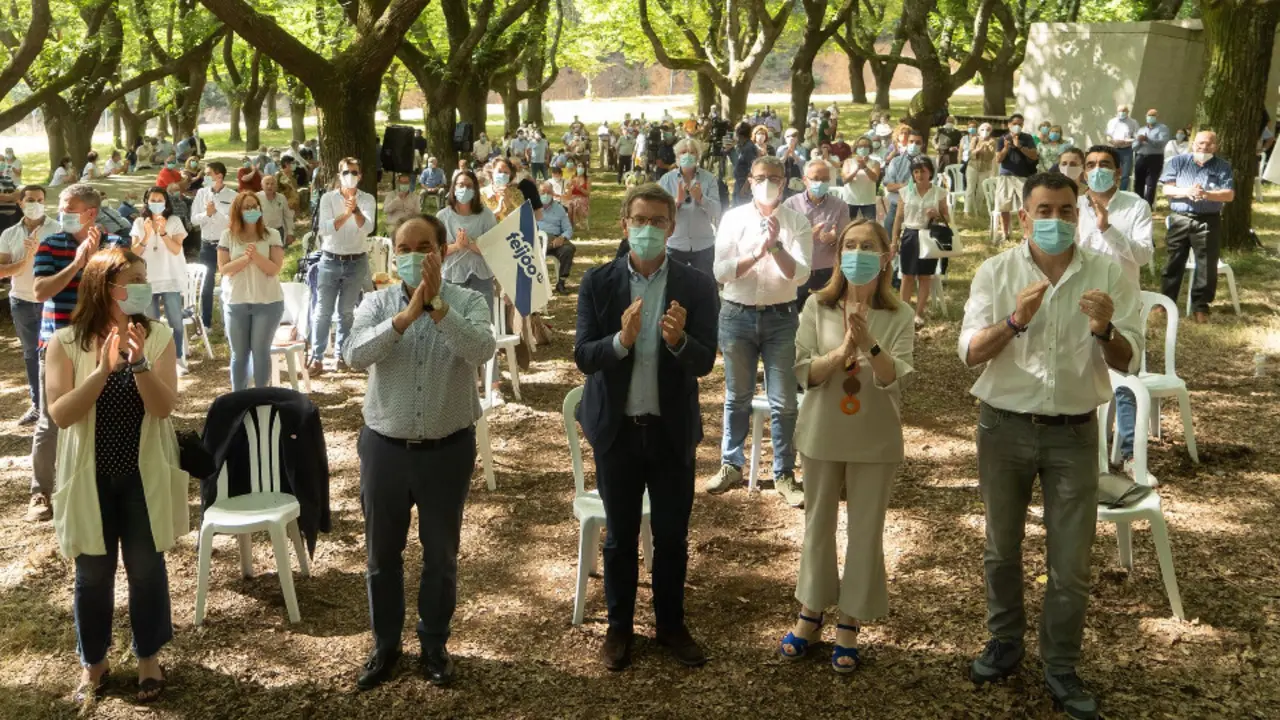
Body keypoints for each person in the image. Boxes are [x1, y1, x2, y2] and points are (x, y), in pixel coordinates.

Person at [959, 172, 1142, 720]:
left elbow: (1128, 361)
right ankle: (1004, 642)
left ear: (1079, 215)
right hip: (1004, 426)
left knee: (1070, 560)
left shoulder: (1106, 273)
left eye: (1067, 211)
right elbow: (969, 352)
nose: (1057, 221)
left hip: (1074, 432)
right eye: (1045, 210)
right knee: (1001, 547)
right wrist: (1016, 320)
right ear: (1024, 217)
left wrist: (1106, 329)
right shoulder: (996, 272)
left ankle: (1060, 664)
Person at [345, 216, 496, 691]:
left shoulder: (469, 299)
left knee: (441, 555)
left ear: (443, 250)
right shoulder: (376, 302)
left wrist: (437, 309)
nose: (413, 254)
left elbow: (482, 349)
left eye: (424, 246)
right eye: (404, 246)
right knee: (381, 555)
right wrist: (405, 318)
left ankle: (434, 642)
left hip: (446, 451)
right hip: (385, 449)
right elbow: (354, 355)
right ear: (393, 251)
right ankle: (385, 645)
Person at [574, 183, 718, 672]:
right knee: (618, 537)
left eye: (659, 221)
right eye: (640, 220)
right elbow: (583, 356)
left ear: (673, 227)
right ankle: (619, 629)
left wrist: (678, 342)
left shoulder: (697, 286)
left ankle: (671, 624)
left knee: (673, 536)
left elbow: (705, 362)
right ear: (624, 225)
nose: (649, 229)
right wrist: (621, 339)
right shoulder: (598, 283)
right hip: (616, 430)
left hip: (670, 430)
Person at [45, 247, 182, 706]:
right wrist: (102, 371)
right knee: (92, 575)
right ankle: (95, 661)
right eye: (133, 278)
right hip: (90, 478)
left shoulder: (158, 335)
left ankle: (148, 657)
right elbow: (61, 415)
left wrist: (139, 364)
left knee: (145, 570)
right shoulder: (65, 343)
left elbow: (163, 408)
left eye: (145, 276)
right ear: (104, 288)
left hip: (142, 478)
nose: (142, 285)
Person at [779, 217, 914, 674]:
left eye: (867, 246)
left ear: (885, 256)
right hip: (821, 432)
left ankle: (850, 622)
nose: (857, 253)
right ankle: (811, 611)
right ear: (838, 257)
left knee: (865, 531)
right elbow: (804, 372)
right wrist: (841, 353)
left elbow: (893, 377)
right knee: (818, 525)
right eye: (849, 246)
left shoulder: (900, 315)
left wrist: (870, 344)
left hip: (875, 439)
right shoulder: (817, 306)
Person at [707, 156, 813, 508]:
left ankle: (784, 472)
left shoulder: (796, 221)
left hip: (781, 318)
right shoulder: (733, 219)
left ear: (785, 183)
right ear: (749, 182)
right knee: (736, 395)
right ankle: (731, 463)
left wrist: (777, 246)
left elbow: (800, 275)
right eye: (760, 177)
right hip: (737, 314)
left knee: (783, 400)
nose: (768, 183)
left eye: (775, 178)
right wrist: (757, 253)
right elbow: (721, 272)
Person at [30, 184, 131, 524]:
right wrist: (76, 265)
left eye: (69, 208)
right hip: (57, 344)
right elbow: (41, 290)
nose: (62, 212)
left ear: (90, 213)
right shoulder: (50, 243)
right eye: (62, 207)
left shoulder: (116, 245)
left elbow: (125, 291)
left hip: (103, 344)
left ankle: (100, 485)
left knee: (104, 414)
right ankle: (40, 492)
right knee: (51, 420)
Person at [0, 185, 61, 425]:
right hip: (22, 302)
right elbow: (3, 271)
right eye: (30, 199)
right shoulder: (9, 234)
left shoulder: (58, 230)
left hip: (52, 301)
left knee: (57, 353)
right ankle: (38, 405)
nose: (35, 203)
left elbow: (65, 268)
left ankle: (57, 403)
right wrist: (27, 259)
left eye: (39, 199)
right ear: (20, 203)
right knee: (31, 354)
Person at [309, 157, 376, 375]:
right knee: (322, 311)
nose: (350, 176)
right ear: (339, 175)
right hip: (330, 260)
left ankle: (341, 355)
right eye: (346, 172)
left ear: (361, 175)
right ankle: (317, 358)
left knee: (346, 312)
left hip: (356, 261)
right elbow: (325, 228)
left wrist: (355, 211)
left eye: (354, 172)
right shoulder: (328, 198)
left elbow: (368, 228)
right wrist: (346, 213)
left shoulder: (367, 199)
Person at [1160, 131, 1235, 324]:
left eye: (1209, 144)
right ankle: (1165, 303)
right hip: (1180, 218)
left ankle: (1201, 307)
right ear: (1193, 144)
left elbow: (1228, 195)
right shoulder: (1177, 162)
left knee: (1207, 266)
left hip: (1208, 220)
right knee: (1173, 262)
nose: (1204, 148)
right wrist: (1187, 191)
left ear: (1215, 146)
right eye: (1200, 144)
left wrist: (1206, 194)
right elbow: (1166, 189)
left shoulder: (1223, 166)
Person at [218, 192, 286, 391]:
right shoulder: (228, 235)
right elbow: (223, 269)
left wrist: (256, 256)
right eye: (247, 207)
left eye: (255, 206)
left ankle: (261, 395)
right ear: (238, 211)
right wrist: (244, 259)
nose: (252, 210)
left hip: (267, 303)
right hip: (236, 302)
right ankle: (238, 396)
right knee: (239, 354)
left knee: (260, 351)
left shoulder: (272, 234)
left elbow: (274, 269)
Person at [130, 188, 190, 372]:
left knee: (176, 321)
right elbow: (133, 253)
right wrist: (147, 236)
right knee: (150, 323)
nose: (156, 202)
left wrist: (163, 233)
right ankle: (152, 359)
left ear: (166, 202)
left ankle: (178, 357)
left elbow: (176, 249)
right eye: (152, 199)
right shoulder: (140, 222)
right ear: (147, 201)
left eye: (160, 199)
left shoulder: (174, 221)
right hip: (147, 280)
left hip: (170, 277)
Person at [890, 157, 949, 327]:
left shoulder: (938, 192)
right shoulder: (905, 192)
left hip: (929, 236)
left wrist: (936, 215)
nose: (919, 175)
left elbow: (948, 217)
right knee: (907, 275)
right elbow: (899, 218)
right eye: (916, 171)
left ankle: (919, 313)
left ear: (930, 172)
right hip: (910, 235)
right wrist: (894, 241)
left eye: (923, 171)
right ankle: (904, 312)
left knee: (925, 276)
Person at [785, 159, 848, 307]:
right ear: (805, 180)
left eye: (825, 179)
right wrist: (805, 236)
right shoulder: (790, 205)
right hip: (798, 269)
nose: (820, 183)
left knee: (826, 315)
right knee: (795, 315)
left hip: (827, 272)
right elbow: (782, 240)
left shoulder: (840, 206)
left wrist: (834, 239)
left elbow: (846, 239)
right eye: (816, 179)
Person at [438, 169, 499, 317]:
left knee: (482, 321)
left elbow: (494, 249)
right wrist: (457, 246)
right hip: (452, 275)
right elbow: (436, 251)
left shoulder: (486, 215)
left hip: (481, 276)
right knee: (453, 322)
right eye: (460, 185)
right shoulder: (442, 216)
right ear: (453, 188)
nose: (464, 189)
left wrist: (470, 244)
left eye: (469, 186)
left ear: (475, 189)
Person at [658, 138, 721, 277]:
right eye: (683, 152)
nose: (687, 155)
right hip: (675, 243)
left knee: (705, 286)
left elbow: (717, 211)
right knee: (674, 287)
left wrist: (701, 198)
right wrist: (677, 202)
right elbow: (659, 215)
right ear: (677, 156)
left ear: (698, 156)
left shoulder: (709, 179)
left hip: (703, 244)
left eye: (692, 152)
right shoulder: (666, 180)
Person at [191, 162, 237, 329]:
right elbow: (194, 219)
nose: (205, 177)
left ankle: (230, 322)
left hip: (225, 245)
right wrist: (206, 214)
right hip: (206, 246)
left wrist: (215, 214)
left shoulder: (232, 196)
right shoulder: (201, 193)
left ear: (219, 176)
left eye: (209, 174)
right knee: (206, 285)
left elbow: (231, 223)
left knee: (229, 284)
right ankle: (206, 323)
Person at [994, 114, 1039, 239]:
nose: (1017, 126)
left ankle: (1026, 233)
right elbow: (998, 159)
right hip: (1005, 176)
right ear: (1009, 125)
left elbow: (1034, 156)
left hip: (1023, 176)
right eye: (1015, 124)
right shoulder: (1002, 139)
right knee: (1004, 205)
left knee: (1026, 206)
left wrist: (1019, 146)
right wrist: (1006, 148)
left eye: (1020, 124)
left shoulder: (1027, 138)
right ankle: (1005, 233)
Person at [881, 130, 923, 235]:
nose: (914, 145)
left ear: (923, 145)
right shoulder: (896, 161)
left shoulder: (929, 163)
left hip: (919, 206)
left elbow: (929, 187)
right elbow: (889, 187)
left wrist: (898, 187)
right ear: (906, 143)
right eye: (911, 141)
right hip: (897, 204)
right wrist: (905, 186)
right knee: (888, 227)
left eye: (918, 143)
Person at [537, 180, 575, 294]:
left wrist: (562, 237)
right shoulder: (532, 208)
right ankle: (536, 285)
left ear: (553, 193)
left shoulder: (559, 209)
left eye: (549, 192)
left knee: (569, 249)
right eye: (543, 192)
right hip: (538, 239)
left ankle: (561, 282)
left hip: (556, 240)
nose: (546, 195)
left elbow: (568, 229)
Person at [1133, 109, 1171, 207]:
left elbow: (1161, 143)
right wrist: (1139, 141)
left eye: (1153, 115)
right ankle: (1138, 204)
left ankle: (1148, 205)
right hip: (1140, 157)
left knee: (1151, 183)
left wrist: (1147, 139)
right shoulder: (1141, 129)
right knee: (1138, 182)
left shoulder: (1163, 128)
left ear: (1157, 117)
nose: (1150, 117)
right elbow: (1134, 147)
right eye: (1148, 115)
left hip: (1155, 158)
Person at [839, 137, 881, 221]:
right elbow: (845, 180)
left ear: (870, 148)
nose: (863, 148)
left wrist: (865, 167)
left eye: (866, 146)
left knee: (870, 227)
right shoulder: (848, 162)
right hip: (851, 200)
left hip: (868, 201)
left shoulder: (875, 163)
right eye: (861, 146)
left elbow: (875, 178)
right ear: (856, 147)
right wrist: (857, 168)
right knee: (848, 226)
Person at [1105, 104, 1139, 192]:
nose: (1122, 113)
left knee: (1125, 174)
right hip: (1114, 149)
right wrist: (1113, 141)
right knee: (1111, 171)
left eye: (1124, 111)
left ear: (1128, 112)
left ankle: (1122, 192)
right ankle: (1110, 190)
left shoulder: (1133, 122)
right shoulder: (1112, 122)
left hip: (1127, 150)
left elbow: (1137, 137)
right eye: (1120, 111)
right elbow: (1108, 136)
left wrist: (1127, 141)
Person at [480, 157, 523, 222]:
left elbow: (523, 215)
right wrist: (498, 210)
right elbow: (480, 222)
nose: (502, 175)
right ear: (492, 172)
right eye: (499, 171)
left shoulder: (517, 193)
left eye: (506, 173)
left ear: (510, 176)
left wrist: (510, 197)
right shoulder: (482, 193)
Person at [257, 174, 295, 246]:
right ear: (262, 186)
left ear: (276, 186)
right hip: (263, 232)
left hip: (279, 231)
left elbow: (288, 216)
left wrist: (290, 233)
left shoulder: (281, 198)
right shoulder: (256, 198)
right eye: (267, 184)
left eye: (272, 184)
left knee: (279, 255)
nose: (269, 186)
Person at [565, 163, 591, 230]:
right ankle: (571, 225)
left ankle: (578, 223)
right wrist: (570, 186)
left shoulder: (587, 179)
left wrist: (580, 188)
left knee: (577, 203)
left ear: (585, 169)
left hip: (583, 198)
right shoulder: (573, 177)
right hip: (572, 197)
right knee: (570, 204)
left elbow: (588, 193)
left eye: (582, 166)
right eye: (579, 166)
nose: (580, 168)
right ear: (576, 168)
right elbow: (567, 189)